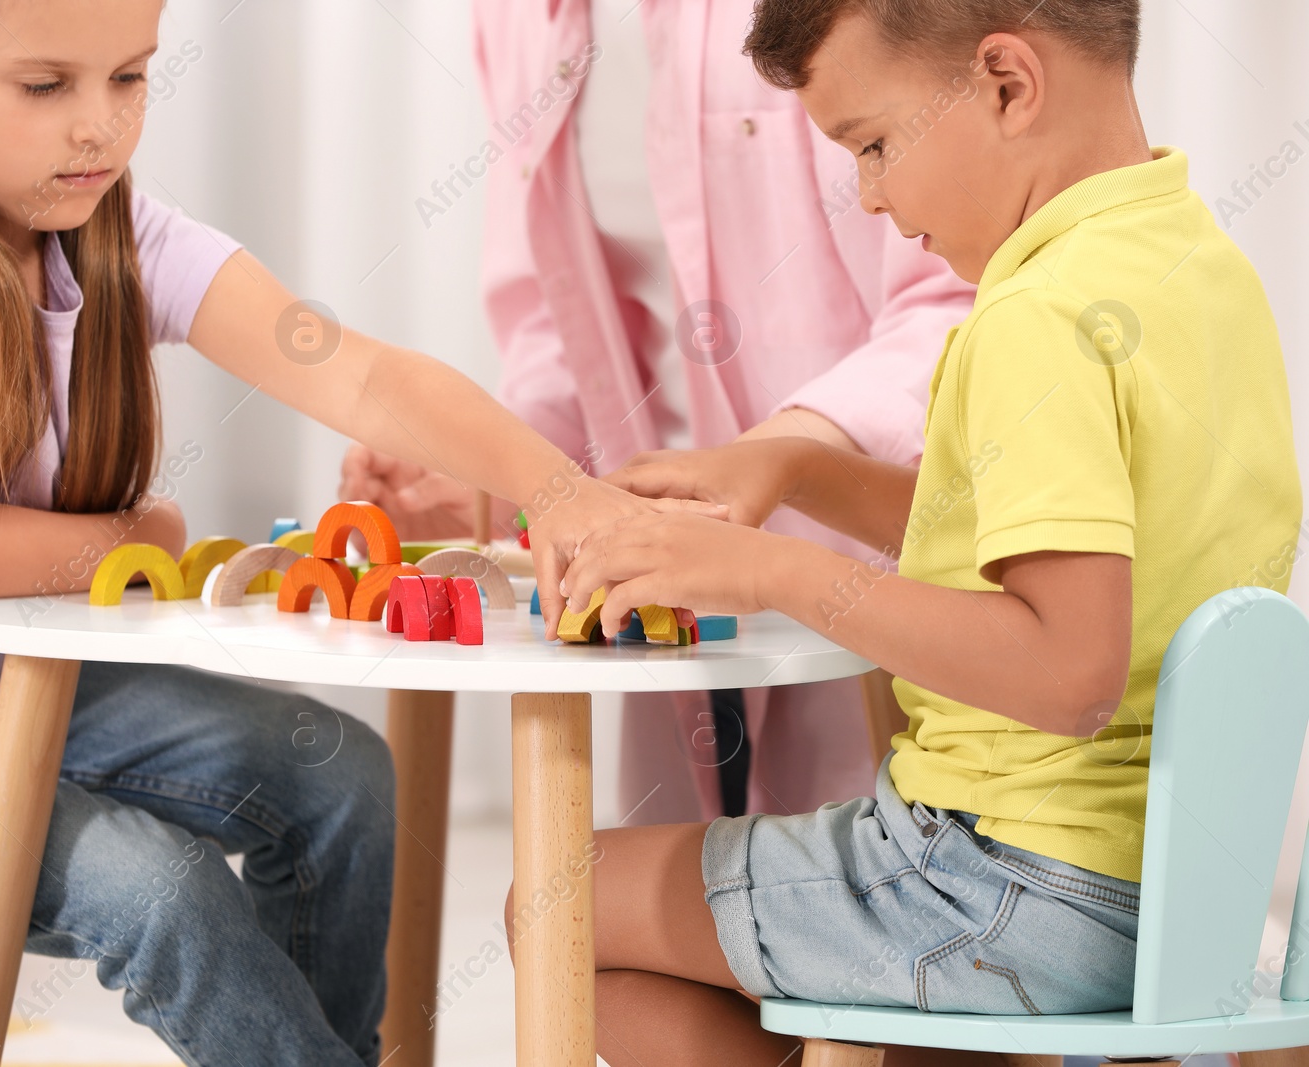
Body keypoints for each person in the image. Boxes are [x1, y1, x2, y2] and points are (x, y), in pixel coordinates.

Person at [0, 1, 702, 1063]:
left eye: (129, 78)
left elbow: (355, 370)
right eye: (46, 87)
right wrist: (144, 529)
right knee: (161, 890)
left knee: (340, 781)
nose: (99, 126)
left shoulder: (118, 229)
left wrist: (556, 491)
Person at [539, 0, 1302, 1062]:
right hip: (1172, 888)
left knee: (552, 897)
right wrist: (800, 468)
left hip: (1002, 884)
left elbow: (1068, 667)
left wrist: (770, 570)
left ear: (1004, 83)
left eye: (873, 144)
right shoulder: (1198, 268)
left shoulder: (1033, 318)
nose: (872, 196)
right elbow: (1038, 547)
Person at [342, 0, 975, 824]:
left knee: (862, 887)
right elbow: (562, 321)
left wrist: (775, 463)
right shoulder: (518, 19)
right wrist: (505, 472)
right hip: (664, 594)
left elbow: (961, 295)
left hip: (879, 574)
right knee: (648, 909)